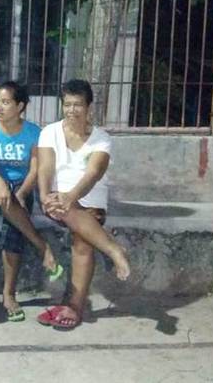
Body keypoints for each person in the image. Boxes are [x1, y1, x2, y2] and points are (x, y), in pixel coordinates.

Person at [36, 79, 130, 330]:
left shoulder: (102, 139)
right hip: (55, 198)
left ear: (89, 107)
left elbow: (93, 173)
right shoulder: (49, 132)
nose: (71, 110)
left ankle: (75, 306)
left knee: (82, 240)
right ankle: (113, 250)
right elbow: (45, 168)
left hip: (89, 200)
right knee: (65, 209)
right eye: (67, 104)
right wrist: (44, 196)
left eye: (77, 104)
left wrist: (70, 197)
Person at [0, 81, 61, 322]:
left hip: (22, 187)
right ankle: (42, 247)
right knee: (7, 205)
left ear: (20, 106)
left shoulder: (34, 132)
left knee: (14, 226)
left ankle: (9, 294)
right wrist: (1, 185)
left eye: (5, 102)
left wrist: (22, 194)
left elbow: (35, 168)